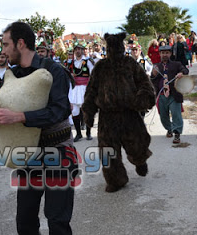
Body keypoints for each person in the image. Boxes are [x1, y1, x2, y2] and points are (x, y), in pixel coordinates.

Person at [0, 21, 77, 235]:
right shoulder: (11, 75)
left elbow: (60, 110)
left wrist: (20, 117)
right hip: (27, 156)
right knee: (25, 220)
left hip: (58, 152)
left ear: (20, 43)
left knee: (57, 221)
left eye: (6, 45)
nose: (2, 51)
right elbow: (1, 107)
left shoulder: (53, 70)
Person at [82, 32, 156, 192]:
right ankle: (116, 180)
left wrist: (142, 98)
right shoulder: (100, 67)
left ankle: (140, 160)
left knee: (137, 143)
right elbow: (91, 90)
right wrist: (88, 111)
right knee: (108, 150)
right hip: (107, 116)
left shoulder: (130, 63)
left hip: (129, 113)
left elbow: (145, 83)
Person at [150, 45, 189, 144]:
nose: (165, 55)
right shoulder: (156, 66)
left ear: (170, 54)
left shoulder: (177, 64)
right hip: (161, 95)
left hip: (174, 94)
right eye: (163, 53)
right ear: (159, 54)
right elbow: (152, 80)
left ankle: (177, 134)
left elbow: (185, 70)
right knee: (163, 116)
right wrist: (153, 75)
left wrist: (181, 73)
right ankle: (170, 129)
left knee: (176, 114)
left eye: (167, 53)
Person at [67, 40, 94, 141]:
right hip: (74, 89)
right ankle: (78, 133)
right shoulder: (71, 63)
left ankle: (88, 132)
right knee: (74, 111)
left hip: (84, 88)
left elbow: (93, 75)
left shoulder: (87, 62)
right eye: (76, 49)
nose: (78, 51)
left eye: (79, 49)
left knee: (86, 111)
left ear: (82, 50)